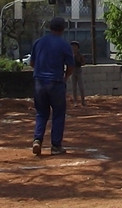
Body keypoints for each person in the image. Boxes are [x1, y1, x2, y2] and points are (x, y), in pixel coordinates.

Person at [30, 17, 75, 155]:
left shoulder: (38, 42)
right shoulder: (64, 44)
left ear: (49, 27)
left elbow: (32, 63)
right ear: (63, 29)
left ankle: (37, 140)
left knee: (41, 113)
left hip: (39, 82)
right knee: (58, 114)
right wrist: (65, 77)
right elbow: (71, 66)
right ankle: (56, 146)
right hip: (56, 82)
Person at [69, 41, 87, 106]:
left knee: (81, 87)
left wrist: (80, 63)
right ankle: (75, 102)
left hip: (78, 70)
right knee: (74, 87)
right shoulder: (70, 55)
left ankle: (83, 101)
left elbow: (84, 62)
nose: (73, 48)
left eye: (75, 46)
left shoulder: (79, 55)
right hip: (72, 71)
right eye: (72, 46)